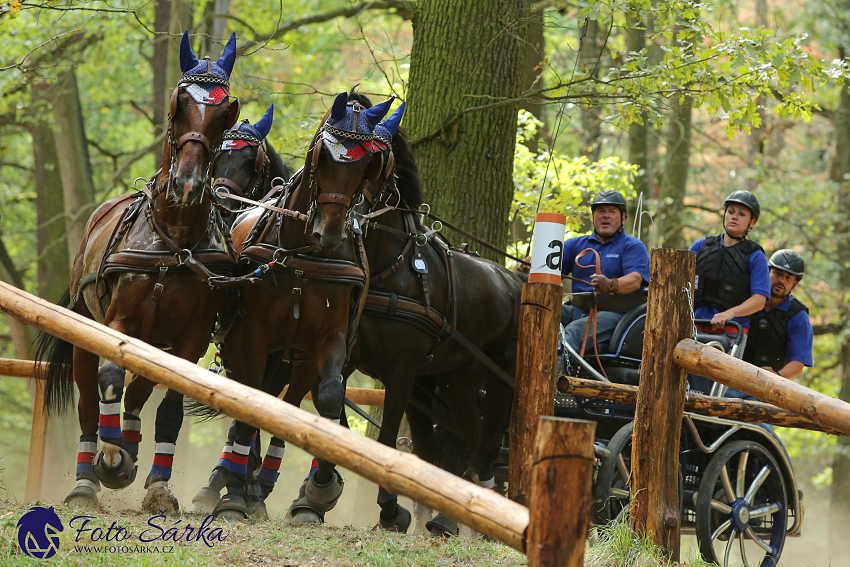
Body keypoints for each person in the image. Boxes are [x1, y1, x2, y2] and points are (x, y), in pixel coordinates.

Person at [688, 190, 770, 395]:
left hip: (730, 332)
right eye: (731, 211)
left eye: (742, 214)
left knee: (714, 388)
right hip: (694, 327)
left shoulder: (755, 256)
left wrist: (730, 313)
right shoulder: (701, 246)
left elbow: (760, 300)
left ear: (752, 222)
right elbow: (681, 283)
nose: (734, 216)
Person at [560, 189, 650, 353]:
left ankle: (560, 376)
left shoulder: (632, 246)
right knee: (540, 312)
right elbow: (550, 271)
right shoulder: (574, 245)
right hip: (577, 310)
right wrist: (530, 267)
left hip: (616, 315)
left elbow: (635, 280)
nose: (605, 215)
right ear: (593, 218)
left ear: (623, 219)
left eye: (612, 211)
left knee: (573, 332)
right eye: (600, 211)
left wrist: (610, 284)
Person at [743, 249, 813, 379]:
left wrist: (776, 376)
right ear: (767, 272)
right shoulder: (746, 300)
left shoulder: (798, 316)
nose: (781, 280)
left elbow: (798, 362)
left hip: (768, 387)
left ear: (795, 283)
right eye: (778, 274)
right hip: (731, 375)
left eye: (788, 278)